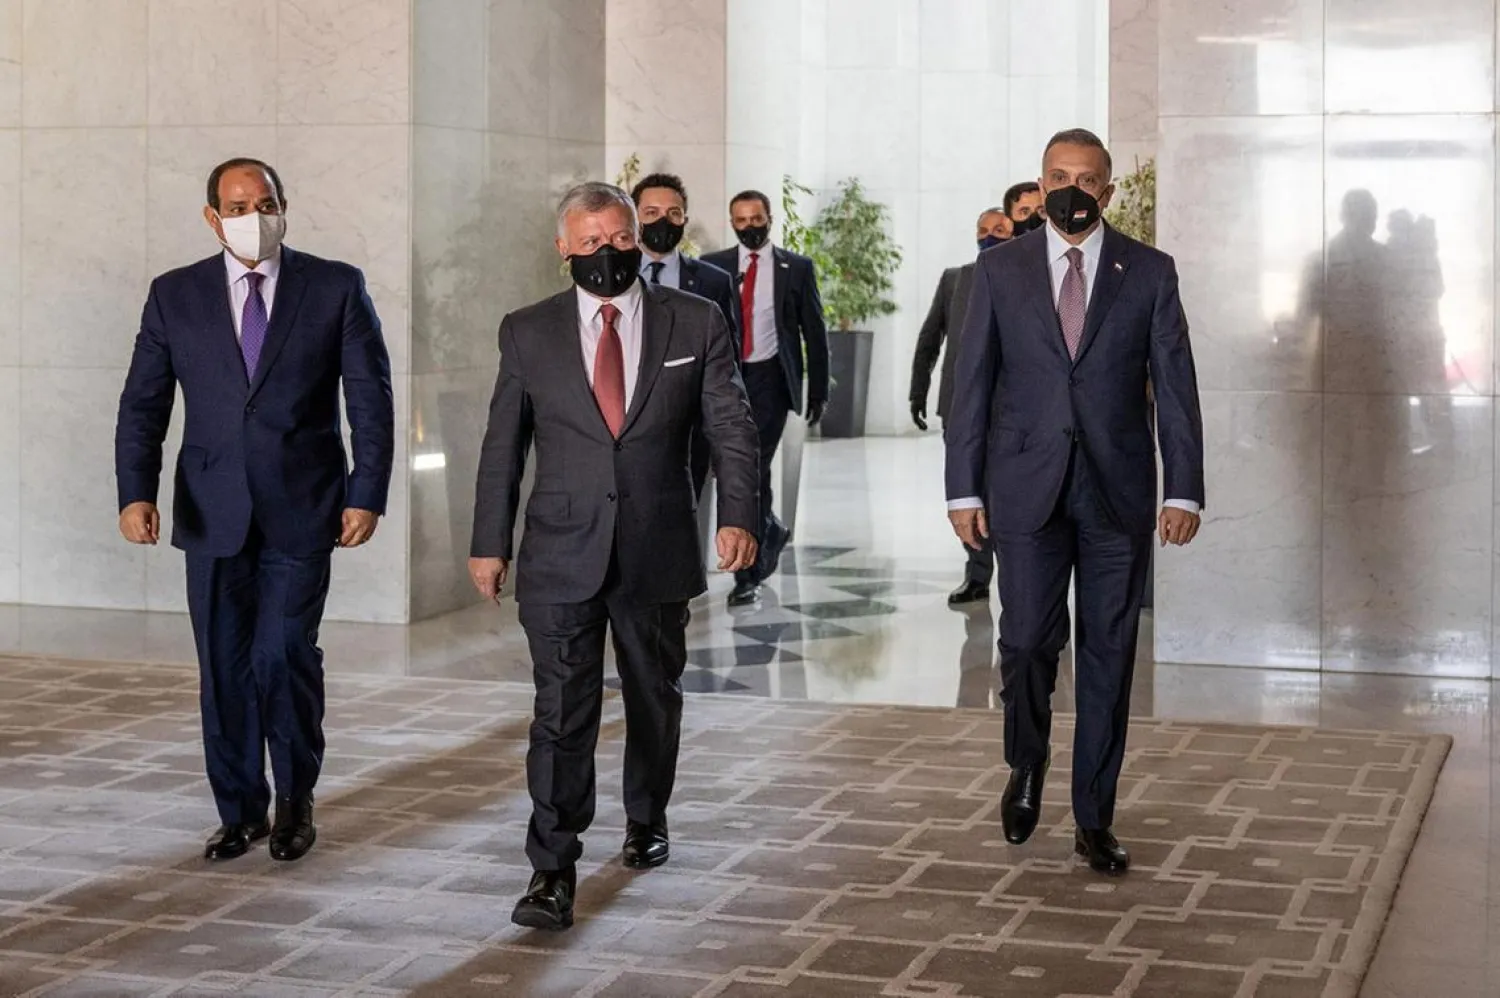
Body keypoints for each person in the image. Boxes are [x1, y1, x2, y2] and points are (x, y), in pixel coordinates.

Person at [468, 182, 760, 931]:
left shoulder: (693, 320)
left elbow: (731, 423)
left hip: (656, 547)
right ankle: (551, 869)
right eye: (589, 240)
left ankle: (646, 817)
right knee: (561, 713)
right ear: (563, 248)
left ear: (639, 238)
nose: (607, 253)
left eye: (619, 237)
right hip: (559, 552)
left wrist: (737, 517)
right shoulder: (527, 331)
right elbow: (505, 444)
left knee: (652, 697)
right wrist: (488, 542)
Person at [114, 157, 394, 864]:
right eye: (238, 206)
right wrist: (134, 492)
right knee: (225, 665)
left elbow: (371, 399)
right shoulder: (174, 295)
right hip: (211, 511)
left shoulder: (333, 286)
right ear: (212, 217)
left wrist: (367, 492)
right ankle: (240, 810)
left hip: (306, 507)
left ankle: (296, 801)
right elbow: (144, 402)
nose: (254, 216)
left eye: (265, 202)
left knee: (282, 654)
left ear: (284, 206)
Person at [944, 129, 1204, 876]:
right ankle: (1025, 762)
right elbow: (972, 387)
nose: (1071, 190)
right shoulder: (999, 271)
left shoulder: (1149, 272)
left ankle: (1094, 816)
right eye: (1058, 176)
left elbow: (1176, 386)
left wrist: (1183, 485)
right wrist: (963, 487)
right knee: (1025, 641)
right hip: (1024, 487)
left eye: (1087, 180)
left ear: (1109, 192)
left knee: (1109, 656)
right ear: (1040, 178)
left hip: (1117, 493)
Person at [910, 183, 1050, 607]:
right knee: (969, 490)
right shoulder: (958, 279)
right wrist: (919, 389)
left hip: (1017, 410)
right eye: (983, 228)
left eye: (1000, 228)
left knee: (1012, 495)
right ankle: (976, 574)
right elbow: (931, 337)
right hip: (961, 404)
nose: (991, 234)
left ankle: (1023, 575)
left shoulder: (1038, 274)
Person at [703, 191, 830, 608]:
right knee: (743, 470)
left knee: (752, 468)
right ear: (731, 222)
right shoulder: (713, 268)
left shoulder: (796, 267)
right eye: (740, 219)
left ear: (769, 219)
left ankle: (746, 574)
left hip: (771, 379)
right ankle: (770, 530)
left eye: (756, 217)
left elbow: (814, 331)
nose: (749, 226)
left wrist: (818, 389)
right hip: (727, 380)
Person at [630, 171, 741, 495]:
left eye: (673, 213)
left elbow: (728, 364)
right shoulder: (613, 276)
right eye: (651, 213)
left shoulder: (714, 281)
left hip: (689, 430)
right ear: (634, 217)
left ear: (685, 219)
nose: (663, 221)